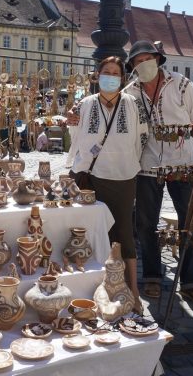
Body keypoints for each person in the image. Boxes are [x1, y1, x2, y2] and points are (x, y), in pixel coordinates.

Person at [123, 40, 193, 307]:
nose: (143, 64)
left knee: (191, 222)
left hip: (183, 163)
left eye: (147, 58)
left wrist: (182, 142)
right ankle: (151, 276)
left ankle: (191, 283)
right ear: (133, 66)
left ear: (158, 59)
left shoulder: (183, 85)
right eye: (137, 61)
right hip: (147, 165)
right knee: (146, 224)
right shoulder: (131, 92)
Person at [69, 56, 148, 304]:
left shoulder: (132, 104)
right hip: (89, 176)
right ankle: (94, 286)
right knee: (89, 230)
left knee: (123, 231)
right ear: (97, 75)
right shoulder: (85, 104)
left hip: (122, 177)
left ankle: (132, 289)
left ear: (122, 78)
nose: (111, 77)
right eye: (107, 72)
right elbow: (75, 139)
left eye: (116, 73)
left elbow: (139, 139)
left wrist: (128, 163)